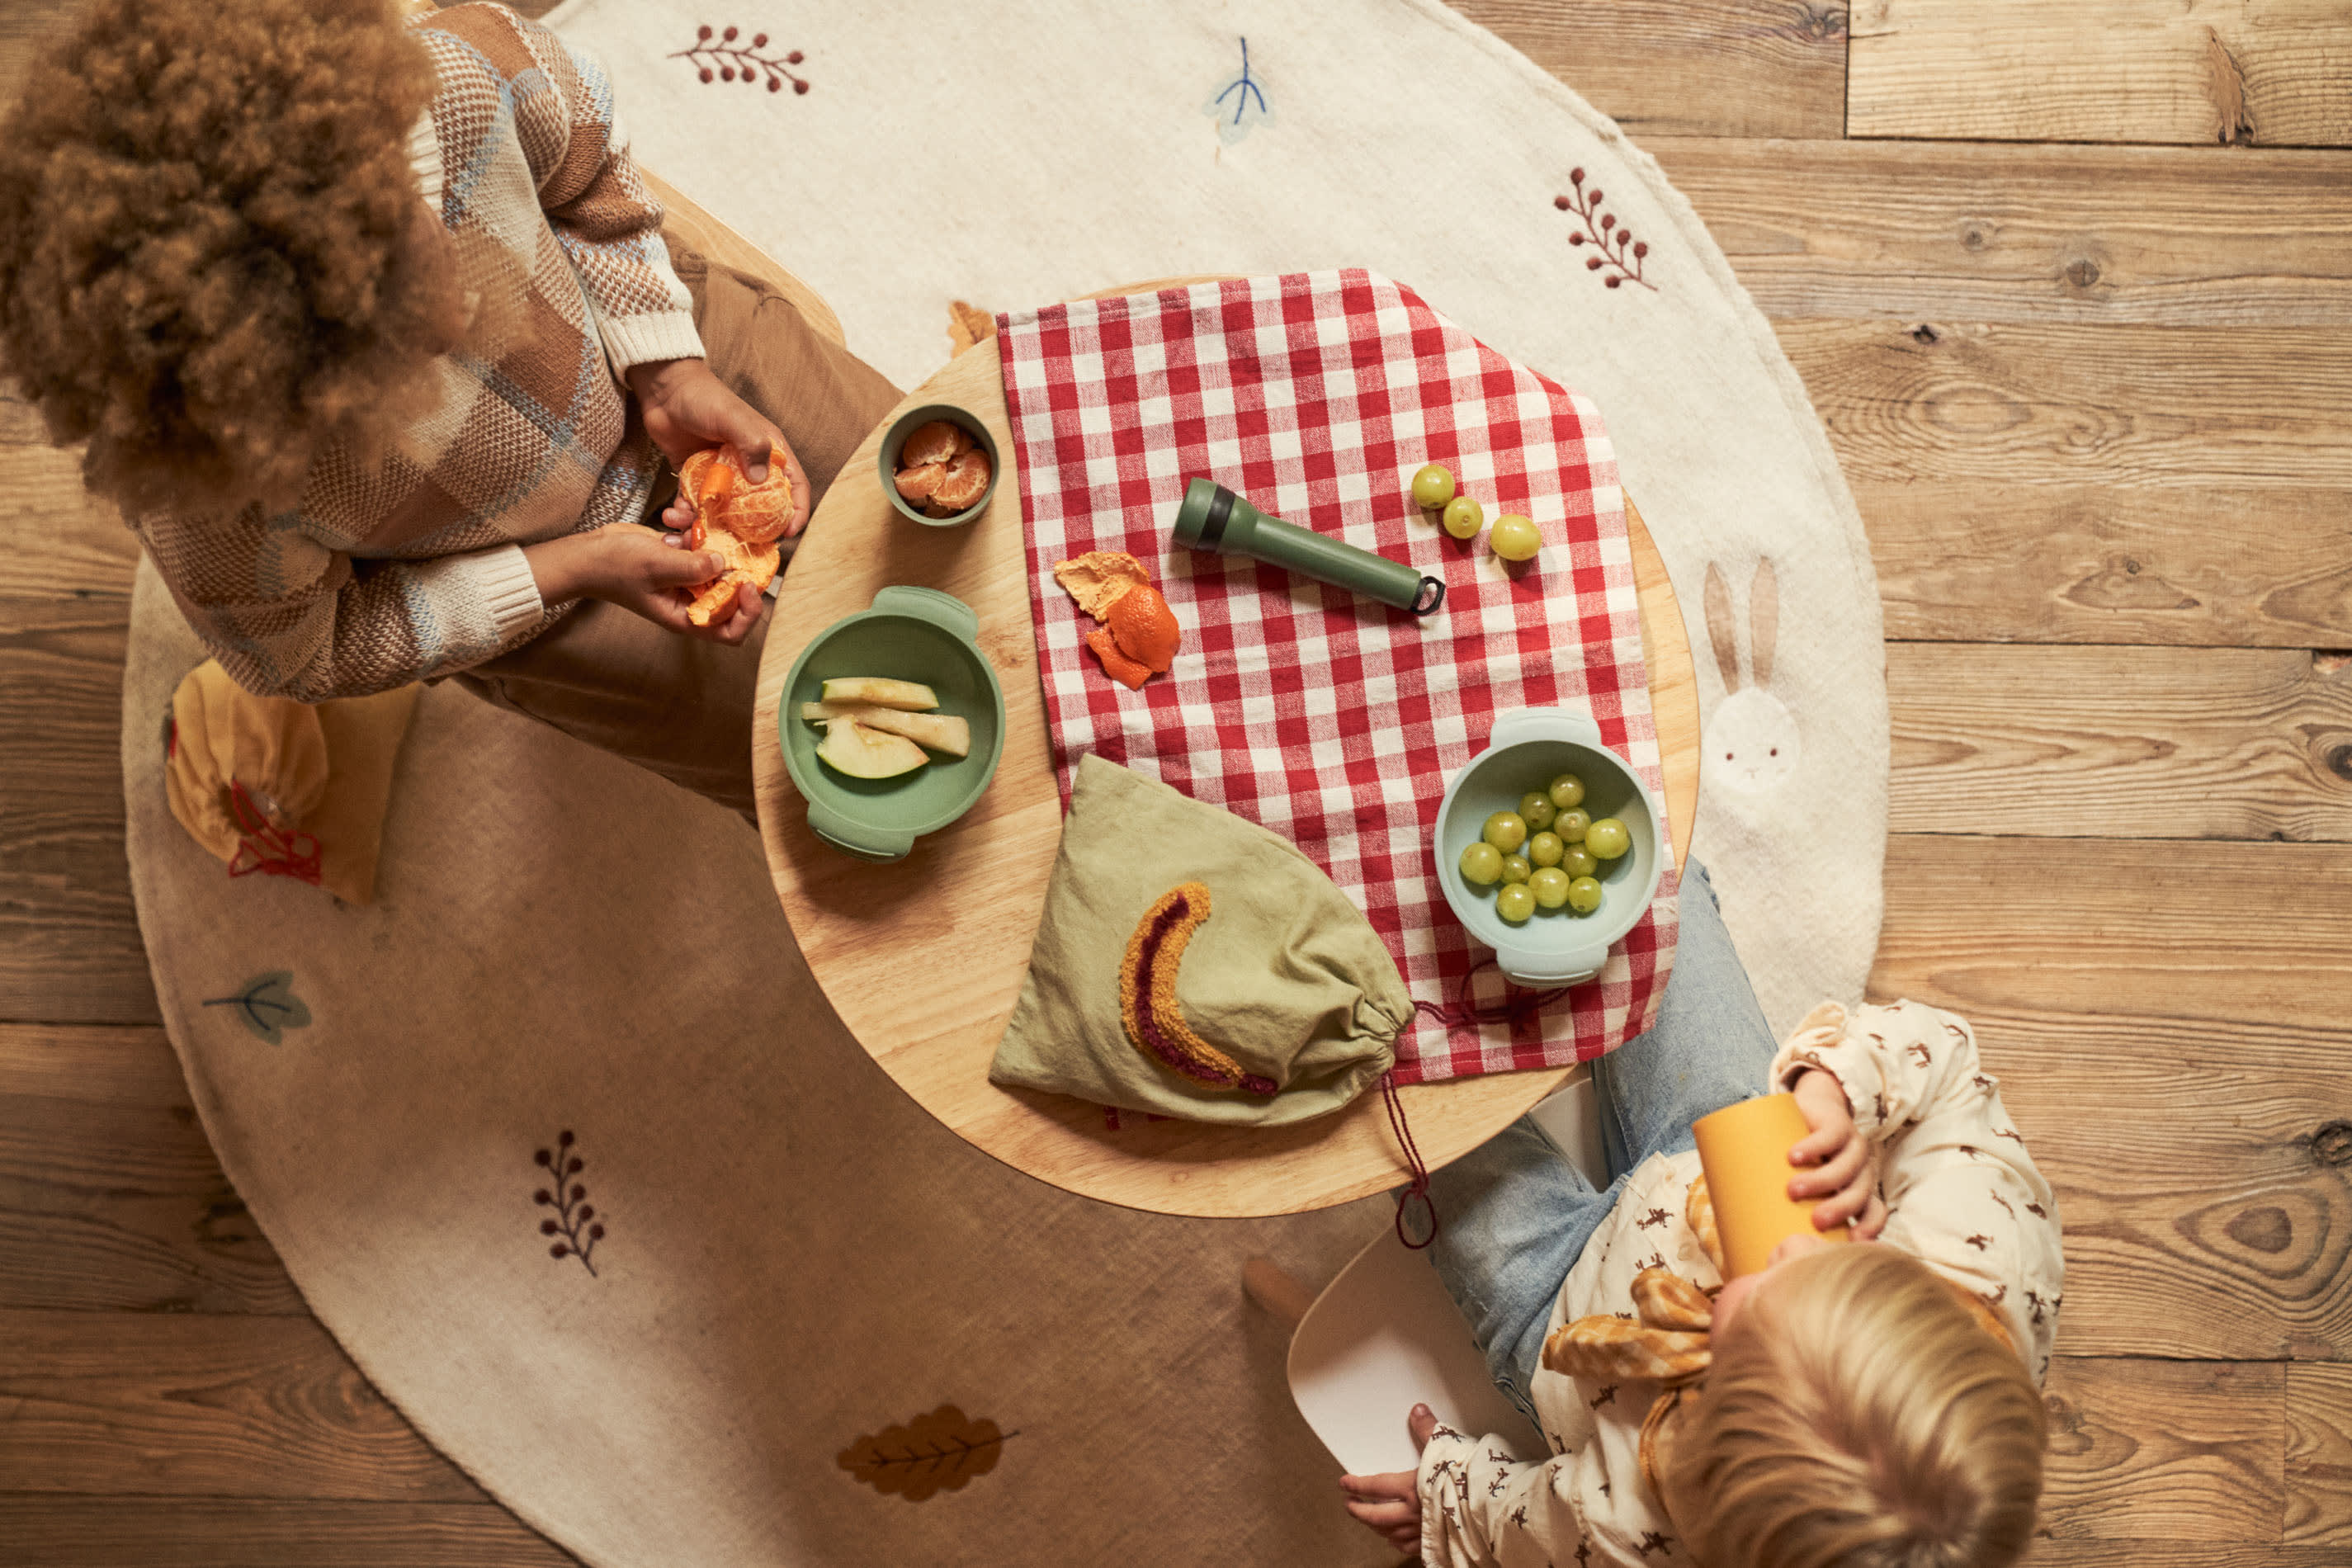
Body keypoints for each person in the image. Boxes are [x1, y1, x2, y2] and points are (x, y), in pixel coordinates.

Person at [0, 0, 901, 821]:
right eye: (382, 360)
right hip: (543, 591)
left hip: (681, 351)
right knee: (805, 776)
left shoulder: (462, 84)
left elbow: (591, 177)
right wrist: (571, 569)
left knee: (936, 481)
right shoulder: (209, 502)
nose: (454, 323)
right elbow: (309, 652)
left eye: (426, 241)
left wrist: (667, 367)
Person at [1338, 861, 2064, 1567]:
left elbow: (1533, 1521)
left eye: (1743, 1322)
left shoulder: (1653, 1518)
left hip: (1557, 1308)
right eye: (1832, 1265)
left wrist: (1448, 1496)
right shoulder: (1989, 1258)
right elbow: (1948, 1067)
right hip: (1718, 1155)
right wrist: (1838, 1088)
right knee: (1653, 888)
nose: (1778, 1257)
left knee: (1384, 1077)